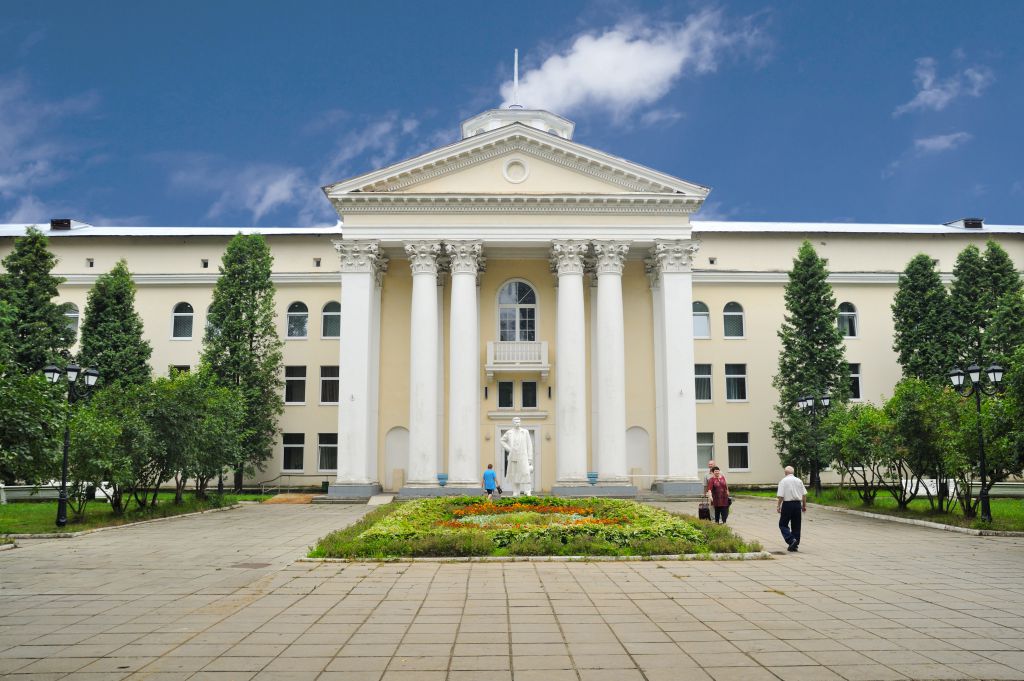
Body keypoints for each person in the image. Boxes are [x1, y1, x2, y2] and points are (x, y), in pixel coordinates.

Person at [776, 465, 808, 552]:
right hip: (797, 504)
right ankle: (795, 545)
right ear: (793, 472)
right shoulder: (799, 481)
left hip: (787, 504)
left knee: (783, 524)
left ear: (785, 473)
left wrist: (778, 506)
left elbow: (781, 496)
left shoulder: (783, 481)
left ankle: (791, 540)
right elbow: (804, 495)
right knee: (796, 525)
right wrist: (804, 506)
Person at [500, 417, 533, 496]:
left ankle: (527, 490)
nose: (517, 423)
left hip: (523, 456)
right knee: (515, 474)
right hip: (513, 456)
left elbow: (529, 445)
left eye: (518, 421)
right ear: (513, 423)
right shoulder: (509, 432)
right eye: (515, 422)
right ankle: (516, 491)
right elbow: (502, 440)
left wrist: (530, 458)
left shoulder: (525, 432)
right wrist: (509, 448)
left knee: (526, 473)